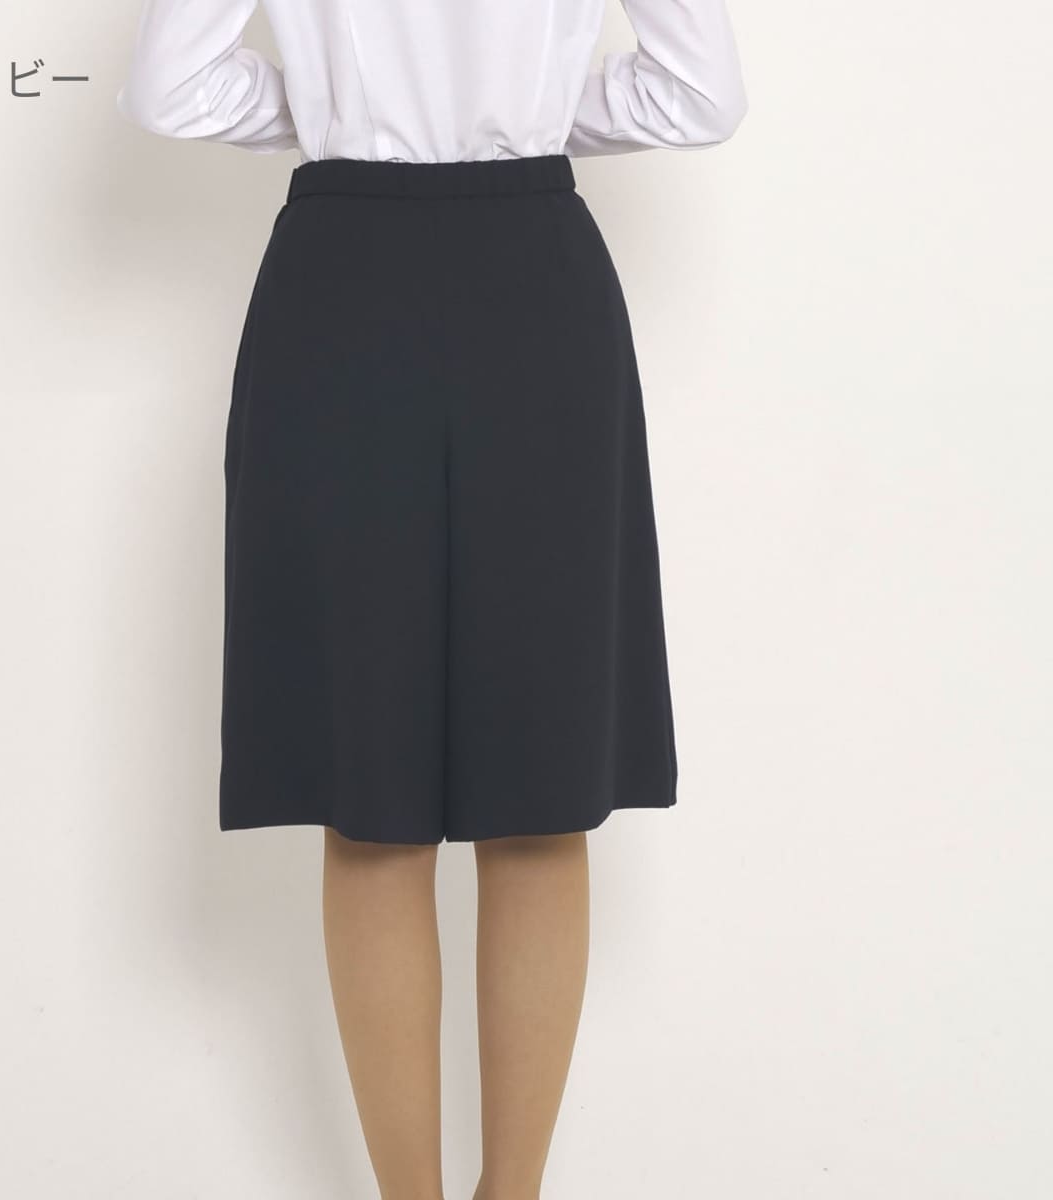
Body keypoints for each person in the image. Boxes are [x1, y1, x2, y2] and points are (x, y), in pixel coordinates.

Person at [116, 1, 747, 1195]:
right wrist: (529, 113)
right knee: (542, 797)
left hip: (340, 277)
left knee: (371, 797)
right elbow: (699, 92)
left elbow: (170, 87)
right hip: (538, 284)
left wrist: (333, 112)